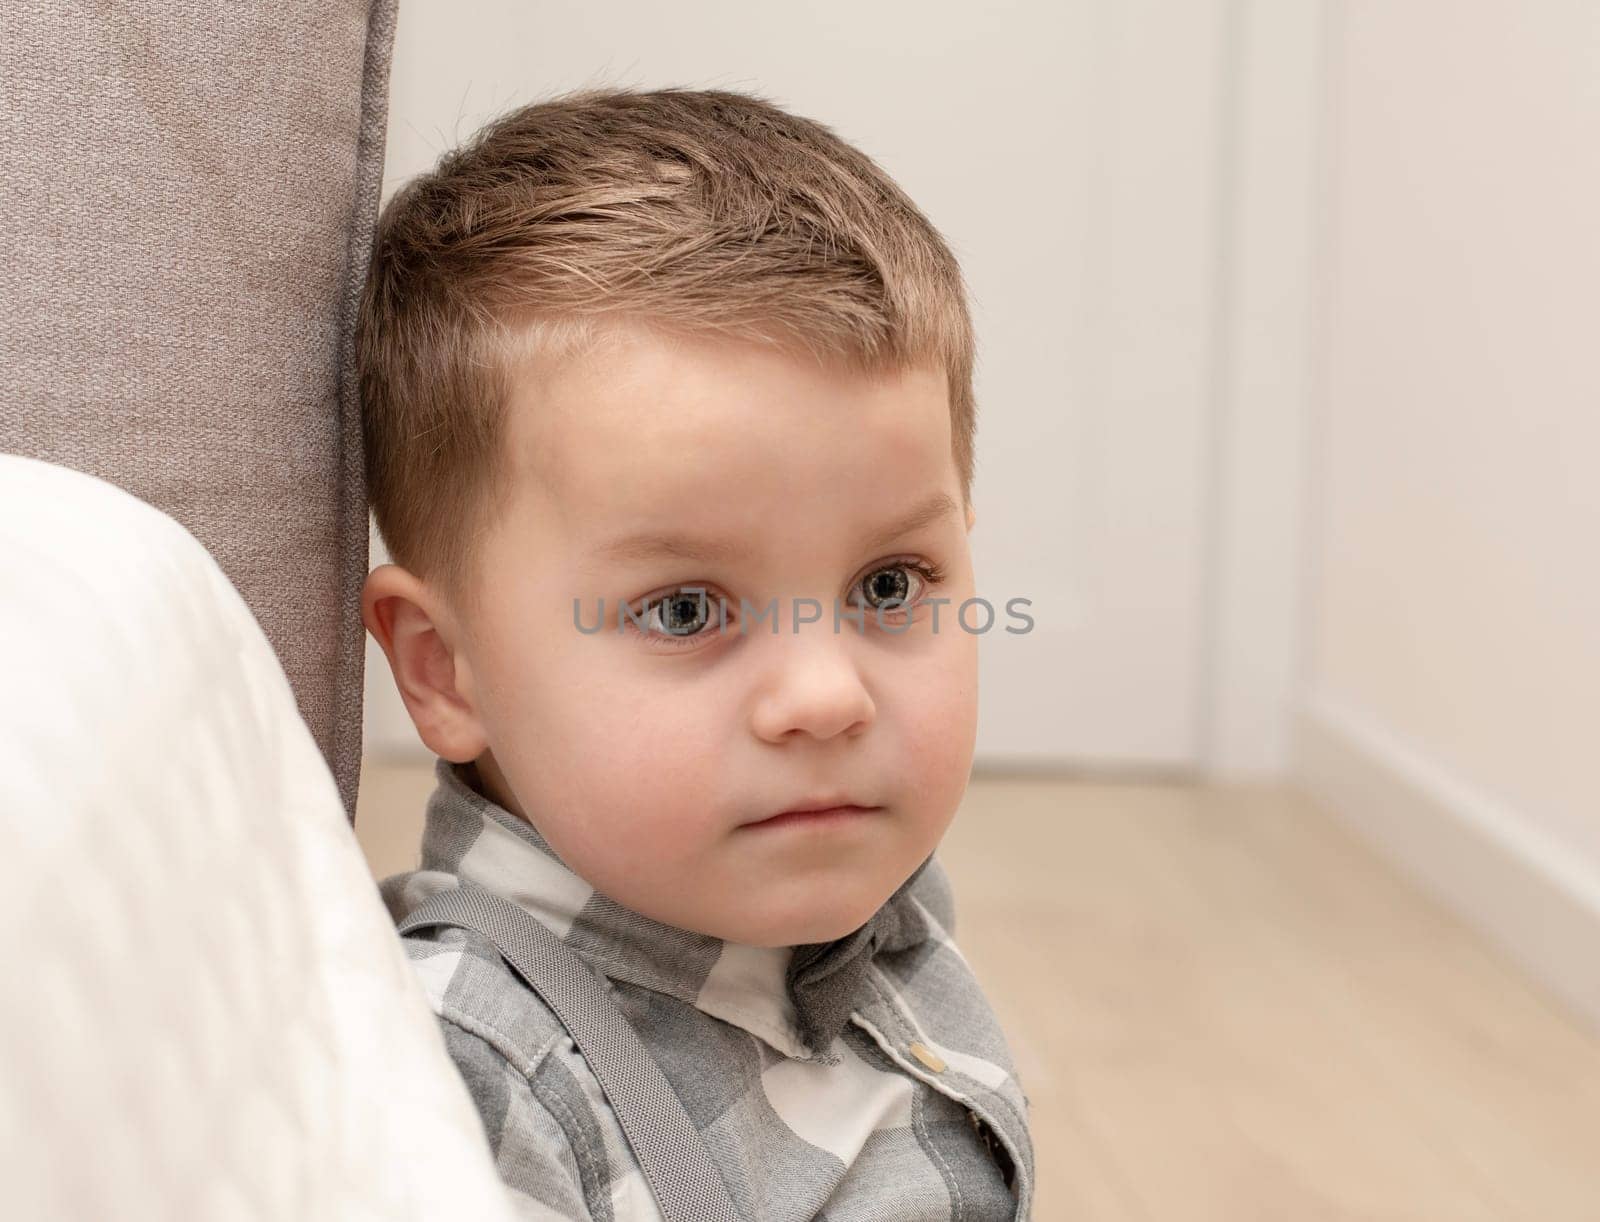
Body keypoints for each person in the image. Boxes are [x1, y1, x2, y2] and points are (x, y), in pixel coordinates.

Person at [360, 85, 1035, 1220]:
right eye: (683, 610)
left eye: (886, 584)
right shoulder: (464, 1088)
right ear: (443, 668)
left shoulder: (886, 933)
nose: (826, 697)